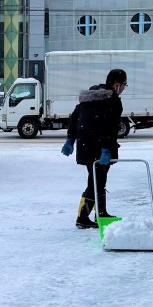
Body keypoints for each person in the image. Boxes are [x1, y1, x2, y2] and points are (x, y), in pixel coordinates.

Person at [61, 68, 126, 228]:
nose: (124, 88)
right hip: (100, 148)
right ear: (116, 84)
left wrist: (70, 139)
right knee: (95, 182)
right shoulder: (112, 100)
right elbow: (108, 125)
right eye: (124, 84)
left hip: (86, 146)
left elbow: (75, 116)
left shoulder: (89, 97)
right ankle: (82, 218)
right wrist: (106, 148)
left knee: (98, 180)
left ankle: (101, 214)